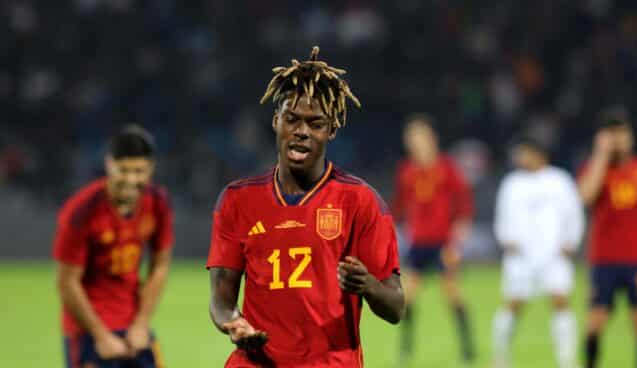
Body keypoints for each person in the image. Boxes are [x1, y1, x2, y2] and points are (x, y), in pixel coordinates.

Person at [207, 46, 405, 367]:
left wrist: (367, 284)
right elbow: (220, 298)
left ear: (332, 130)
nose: (301, 132)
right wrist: (233, 322)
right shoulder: (236, 199)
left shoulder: (360, 201)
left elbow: (396, 307)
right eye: (292, 119)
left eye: (315, 123)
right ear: (276, 121)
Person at [53, 125, 174, 368]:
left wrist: (141, 324)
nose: (131, 179)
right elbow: (67, 282)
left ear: (150, 169)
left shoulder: (157, 202)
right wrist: (101, 336)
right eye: (124, 170)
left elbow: (160, 265)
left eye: (139, 171)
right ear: (109, 165)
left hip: (133, 327)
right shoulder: (81, 211)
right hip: (88, 332)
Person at [492, 136, 584, 368]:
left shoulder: (560, 181)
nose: (521, 158)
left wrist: (571, 241)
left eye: (525, 153)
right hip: (520, 256)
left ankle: (567, 360)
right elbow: (502, 215)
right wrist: (506, 239)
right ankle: (500, 357)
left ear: (540, 155)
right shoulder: (512, 183)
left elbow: (574, 212)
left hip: (553, 254)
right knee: (513, 304)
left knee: (560, 301)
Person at [392, 115, 475, 363]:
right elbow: (400, 206)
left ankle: (467, 348)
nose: (415, 142)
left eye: (419, 136)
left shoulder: (446, 167)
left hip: (442, 242)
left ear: (431, 138)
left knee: (452, 294)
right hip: (418, 243)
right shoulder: (406, 170)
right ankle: (406, 350)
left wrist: (457, 240)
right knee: (406, 297)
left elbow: (464, 204)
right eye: (411, 138)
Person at [578, 116, 637, 368]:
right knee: (595, 324)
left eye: (622, 133)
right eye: (612, 134)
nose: (619, 140)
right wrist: (601, 155)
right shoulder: (593, 168)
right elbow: (587, 197)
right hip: (604, 260)